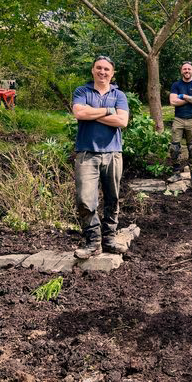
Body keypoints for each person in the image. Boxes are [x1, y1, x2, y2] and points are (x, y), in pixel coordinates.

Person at [72, 56, 129, 259]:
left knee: (112, 198)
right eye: (99, 68)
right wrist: (107, 111)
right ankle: (93, 242)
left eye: (106, 69)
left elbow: (122, 121)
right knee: (85, 199)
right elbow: (79, 114)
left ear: (112, 73)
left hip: (113, 153)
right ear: (92, 70)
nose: (102, 72)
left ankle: (109, 239)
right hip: (87, 153)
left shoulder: (119, 94)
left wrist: (92, 112)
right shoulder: (82, 91)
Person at [168, 61, 192, 186]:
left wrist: (182, 96)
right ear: (181, 71)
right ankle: (176, 173)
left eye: (189, 69)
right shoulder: (176, 85)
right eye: (184, 69)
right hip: (178, 119)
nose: (187, 71)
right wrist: (190, 98)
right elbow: (173, 102)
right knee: (174, 147)